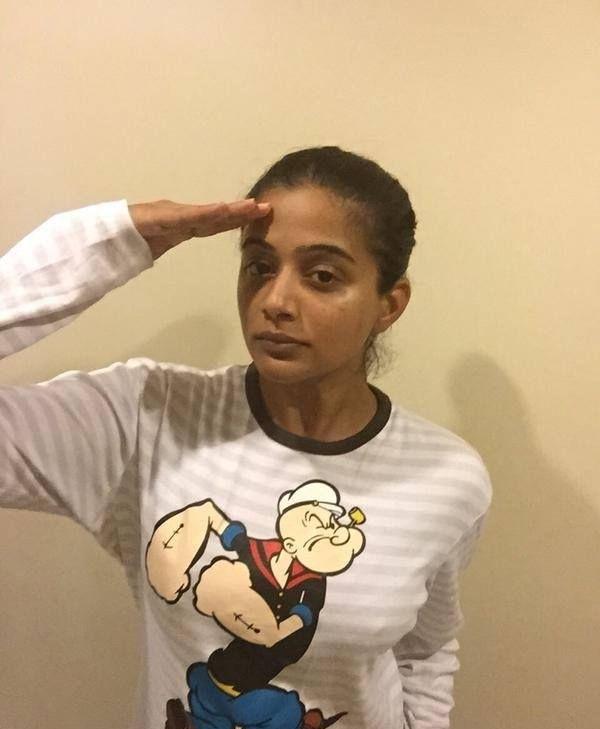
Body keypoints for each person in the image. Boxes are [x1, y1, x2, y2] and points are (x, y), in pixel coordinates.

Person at [0, 146, 492, 729]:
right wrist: (117, 238)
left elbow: (425, 652)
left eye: (322, 276)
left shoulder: (448, 479)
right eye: (259, 266)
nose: (275, 301)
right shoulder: (146, 417)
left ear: (389, 304)